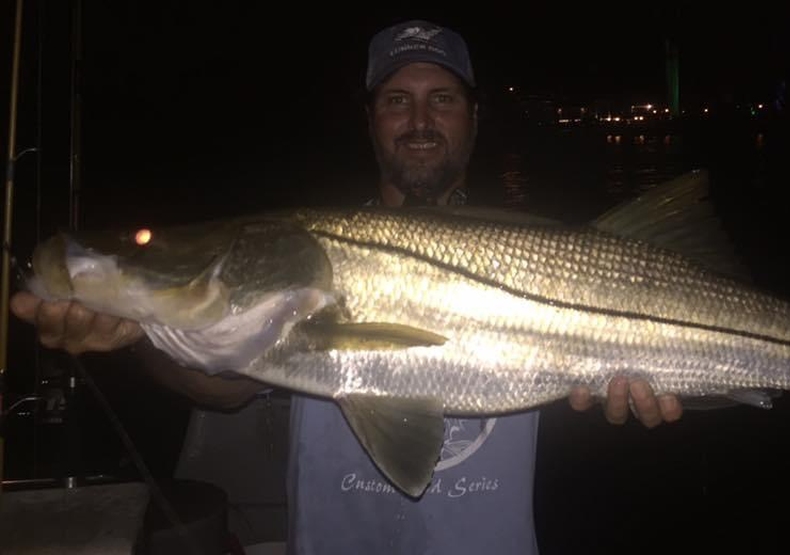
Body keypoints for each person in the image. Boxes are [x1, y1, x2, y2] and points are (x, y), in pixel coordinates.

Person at [10, 19, 683, 554]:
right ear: (371, 122)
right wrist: (135, 332)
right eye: (397, 100)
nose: (420, 120)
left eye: (441, 99)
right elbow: (220, 380)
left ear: (473, 119)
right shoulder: (305, 262)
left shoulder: (542, 243)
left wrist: (654, 388)